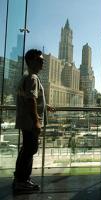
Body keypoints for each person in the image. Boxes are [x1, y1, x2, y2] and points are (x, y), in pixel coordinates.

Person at [13, 49, 55, 191]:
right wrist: (37, 121)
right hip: (30, 122)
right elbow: (31, 99)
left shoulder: (27, 76)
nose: (43, 62)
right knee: (30, 149)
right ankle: (22, 181)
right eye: (40, 60)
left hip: (26, 120)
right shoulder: (32, 78)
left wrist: (45, 105)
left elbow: (32, 98)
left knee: (26, 149)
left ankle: (20, 178)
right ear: (31, 61)